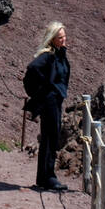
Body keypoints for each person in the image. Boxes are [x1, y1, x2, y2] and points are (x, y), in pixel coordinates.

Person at [28, 22, 71, 192]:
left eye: (64, 36)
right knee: (52, 136)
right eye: (60, 37)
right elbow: (32, 68)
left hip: (55, 100)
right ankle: (49, 177)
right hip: (50, 101)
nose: (63, 39)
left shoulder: (59, 55)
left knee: (48, 137)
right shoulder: (48, 55)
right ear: (52, 39)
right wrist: (45, 90)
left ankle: (43, 177)